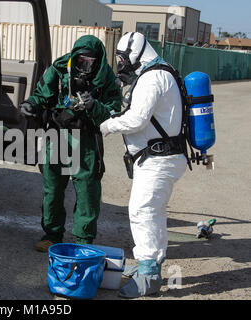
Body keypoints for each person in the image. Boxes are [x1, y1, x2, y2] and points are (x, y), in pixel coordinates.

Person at [100, 32, 188, 298]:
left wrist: (107, 125)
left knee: (142, 211)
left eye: (122, 58)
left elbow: (137, 120)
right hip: (160, 158)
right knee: (155, 213)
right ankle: (152, 267)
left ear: (136, 54)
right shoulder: (160, 72)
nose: (121, 64)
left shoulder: (152, 78)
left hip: (158, 159)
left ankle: (148, 277)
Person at [20, 35, 122, 252]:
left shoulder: (106, 79)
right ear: (74, 57)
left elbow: (113, 113)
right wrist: (30, 104)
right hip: (57, 135)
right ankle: (52, 234)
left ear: (99, 60)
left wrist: (94, 106)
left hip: (86, 141)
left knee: (87, 191)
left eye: (90, 61)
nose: (85, 65)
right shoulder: (59, 70)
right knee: (52, 188)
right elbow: (41, 95)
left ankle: (84, 241)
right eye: (81, 60)